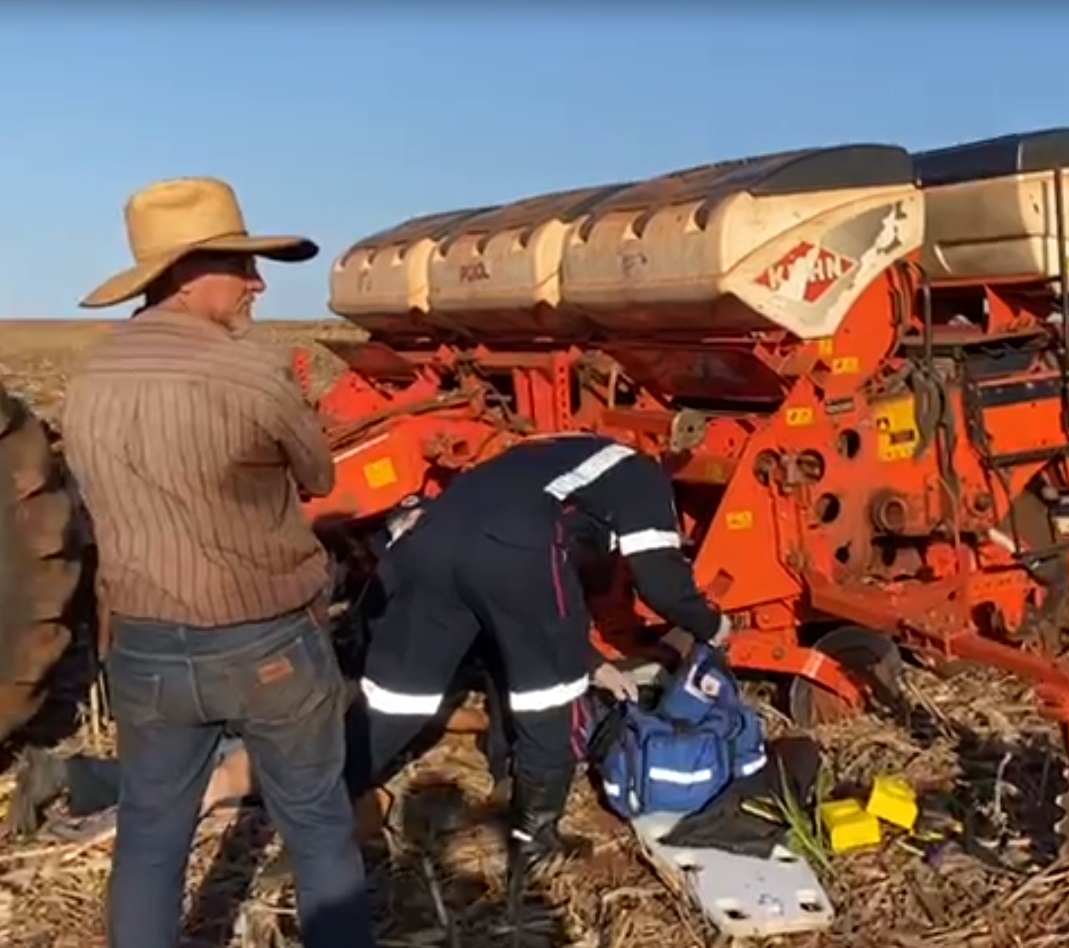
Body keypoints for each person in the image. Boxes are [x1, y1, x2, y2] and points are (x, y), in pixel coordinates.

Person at [62, 177, 377, 948]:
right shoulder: (249, 370)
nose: (258, 283)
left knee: (149, 832)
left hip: (142, 647)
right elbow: (321, 478)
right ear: (188, 272)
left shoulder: (89, 380)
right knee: (318, 824)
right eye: (243, 268)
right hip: (265, 643)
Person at [353, 433, 731, 890]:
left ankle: (320, 799)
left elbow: (519, 612)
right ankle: (535, 842)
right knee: (548, 698)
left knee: (400, 699)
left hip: (427, 543)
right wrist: (713, 627)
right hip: (512, 552)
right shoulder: (643, 476)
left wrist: (594, 662)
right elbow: (660, 581)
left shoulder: (539, 458)